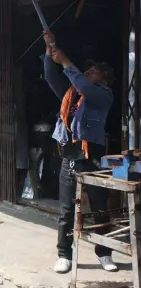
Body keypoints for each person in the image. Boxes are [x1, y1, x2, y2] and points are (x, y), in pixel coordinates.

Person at [43, 30, 117, 274]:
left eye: (95, 71)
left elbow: (83, 83)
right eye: (88, 70)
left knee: (98, 207)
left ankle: (104, 253)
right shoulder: (72, 94)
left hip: (92, 158)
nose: (89, 72)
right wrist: (49, 49)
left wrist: (66, 61)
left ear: (106, 79)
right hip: (69, 157)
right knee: (66, 209)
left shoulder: (103, 95)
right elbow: (51, 77)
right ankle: (64, 254)